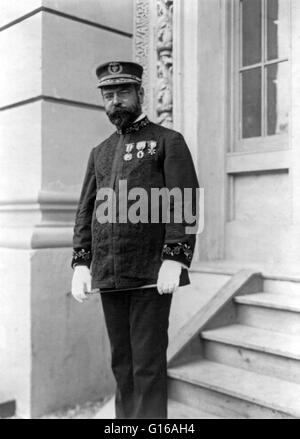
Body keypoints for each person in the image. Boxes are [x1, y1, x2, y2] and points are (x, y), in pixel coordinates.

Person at [71, 61, 199, 419]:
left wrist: (175, 258)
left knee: (147, 367)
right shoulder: (100, 151)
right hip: (110, 274)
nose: (116, 102)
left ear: (140, 94)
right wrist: (81, 262)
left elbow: (183, 200)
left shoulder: (167, 141)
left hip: (149, 275)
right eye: (109, 96)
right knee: (122, 366)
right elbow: (86, 211)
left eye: (123, 93)